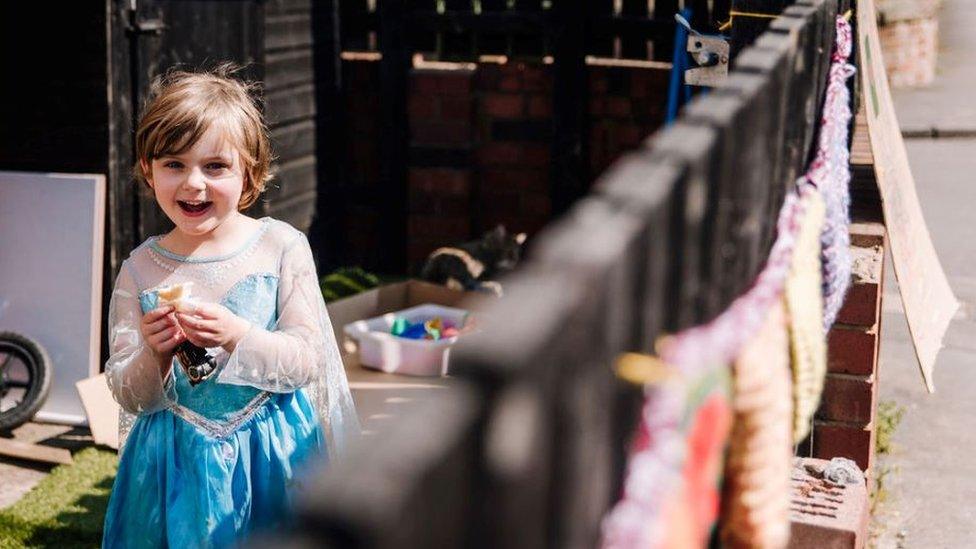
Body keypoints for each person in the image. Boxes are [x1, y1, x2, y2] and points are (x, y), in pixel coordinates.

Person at [101, 64, 359, 548]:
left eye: (215, 166)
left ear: (250, 172)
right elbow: (128, 394)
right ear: (147, 169)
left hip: (273, 454)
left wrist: (239, 335)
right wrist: (154, 356)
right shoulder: (140, 269)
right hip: (174, 464)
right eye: (173, 164)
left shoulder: (280, 247)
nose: (193, 184)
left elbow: (307, 360)